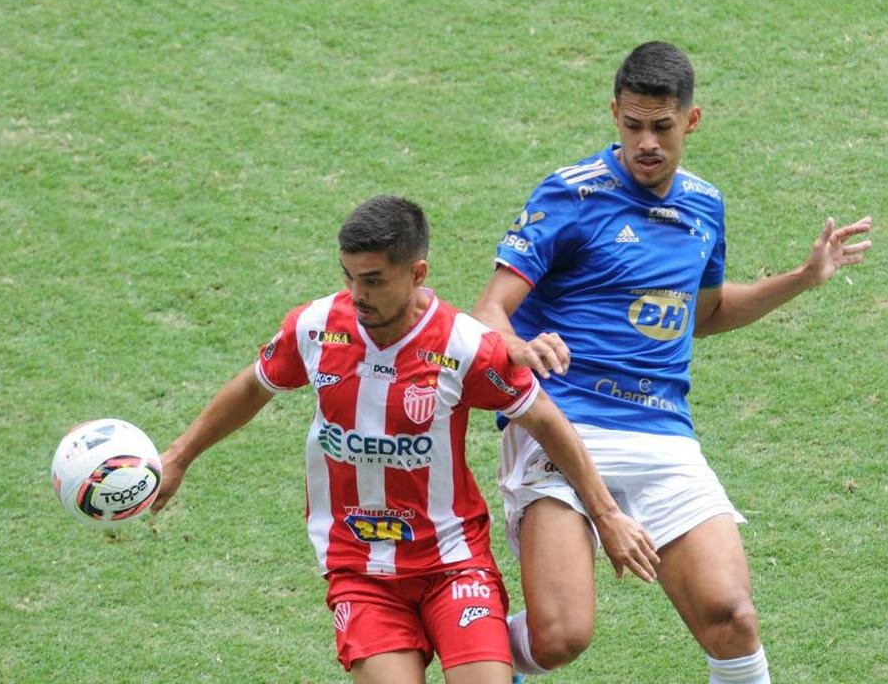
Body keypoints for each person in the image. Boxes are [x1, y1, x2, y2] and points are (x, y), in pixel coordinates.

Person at [473, 42, 874, 684]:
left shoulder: (704, 206)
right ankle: (469, 650)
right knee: (561, 636)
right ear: (614, 114)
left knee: (733, 618)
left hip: (662, 432)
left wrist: (802, 278)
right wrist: (518, 347)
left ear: (691, 120)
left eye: (662, 126)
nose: (646, 143)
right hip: (563, 423)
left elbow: (705, 314)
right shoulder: (570, 194)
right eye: (633, 125)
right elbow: (489, 310)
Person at [151, 195, 657, 684]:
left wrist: (607, 516)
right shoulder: (316, 328)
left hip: (453, 560)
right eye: (349, 276)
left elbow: (544, 420)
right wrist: (178, 456)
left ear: (417, 273)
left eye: (373, 280)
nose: (357, 294)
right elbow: (255, 385)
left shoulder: (464, 345)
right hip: (360, 568)